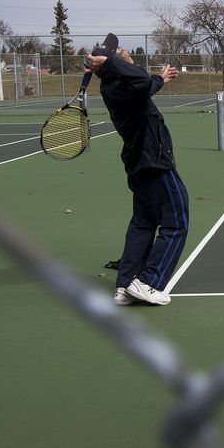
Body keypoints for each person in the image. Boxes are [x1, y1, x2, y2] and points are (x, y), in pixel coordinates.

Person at [86, 38, 188, 307]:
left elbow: (146, 83)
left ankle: (124, 285)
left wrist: (135, 67)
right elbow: (144, 84)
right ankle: (149, 281)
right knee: (176, 221)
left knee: (143, 222)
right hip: (153, 160)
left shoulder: (115, 84)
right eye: (115, 54)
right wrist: (115, 63)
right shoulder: (119, 85)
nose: (121, 53)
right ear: (110, 65)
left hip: (138, 161)